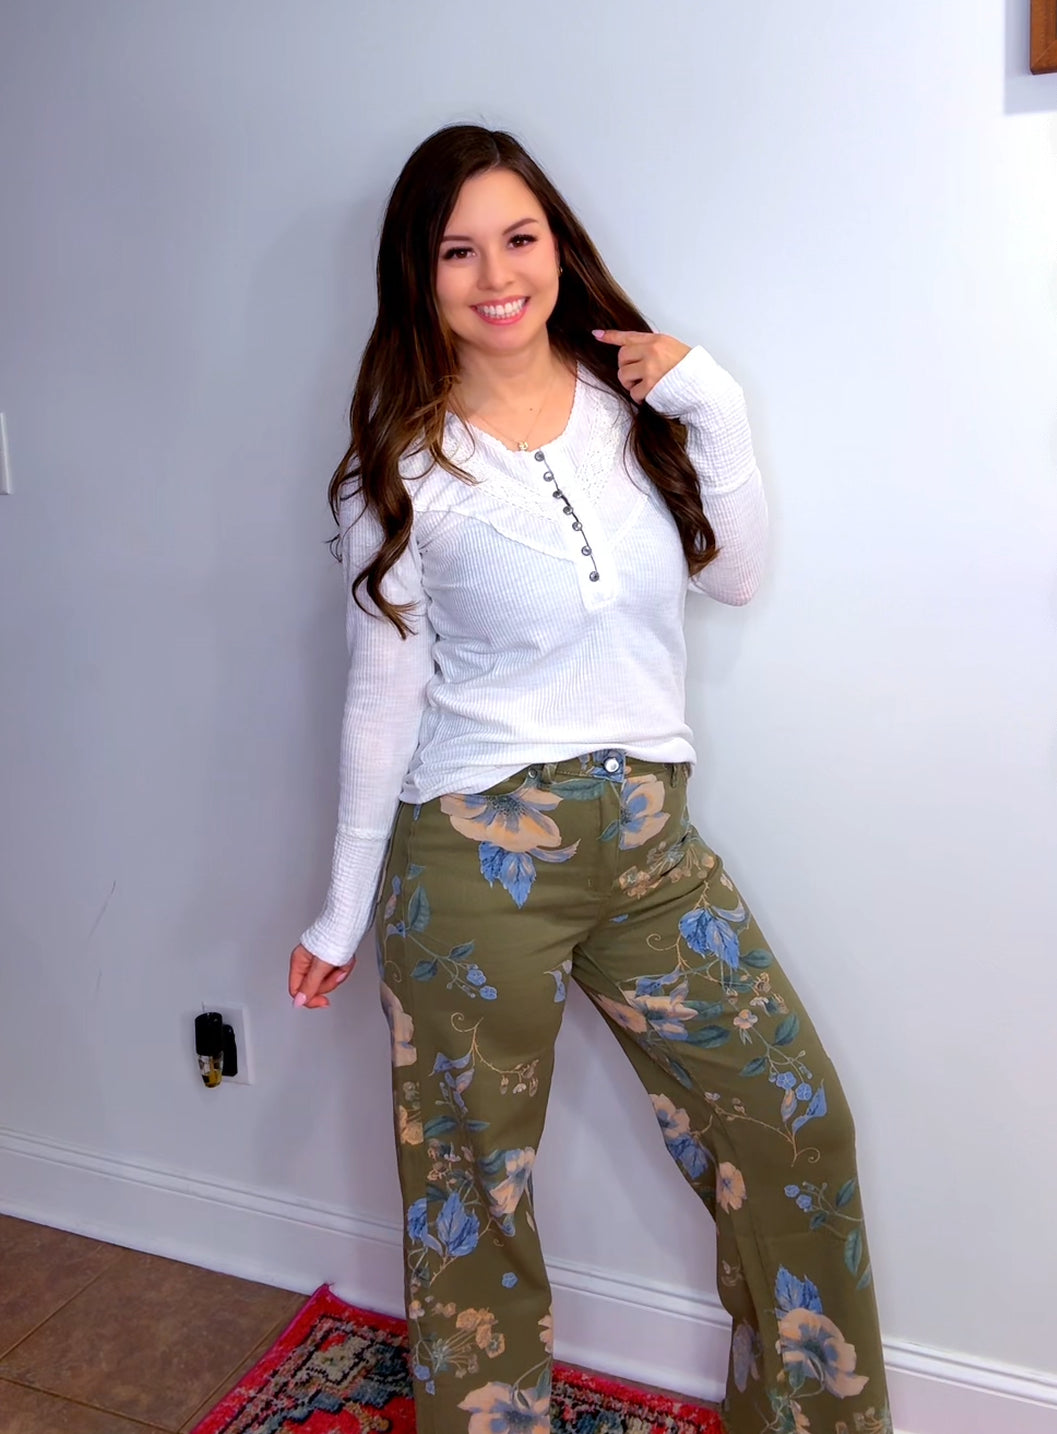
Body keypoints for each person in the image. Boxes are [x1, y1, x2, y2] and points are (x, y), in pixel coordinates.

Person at [288, 123, 891, 1434]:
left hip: (651, 852)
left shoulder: (637, 407)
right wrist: (339, 912)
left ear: (556, 246)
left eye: (519, 237)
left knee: (796, 1125)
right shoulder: (400, 467)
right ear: (417, 274)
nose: (496, 274)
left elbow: (735, 573)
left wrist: (713, 402)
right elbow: (382, 697)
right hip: (470, 863)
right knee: (473, 1203)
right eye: (458, 251)